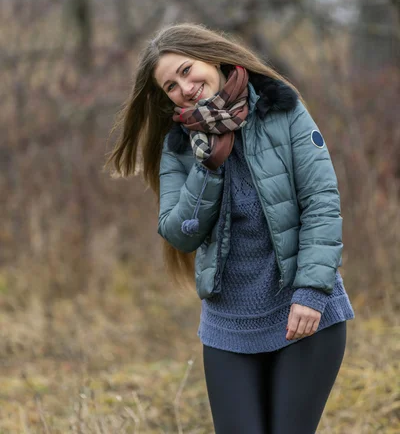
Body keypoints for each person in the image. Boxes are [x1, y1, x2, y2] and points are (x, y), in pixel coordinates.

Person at [106, 23, 355, 434]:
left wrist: (311, 293)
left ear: (211, 57)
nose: (184, 87)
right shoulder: (180, 146)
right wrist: (208, 165)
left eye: (186, 70)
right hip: (229, 330)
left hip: (305, 314)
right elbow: (178, 232)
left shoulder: (281, 110)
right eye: (170, 85)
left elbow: (321, 203)